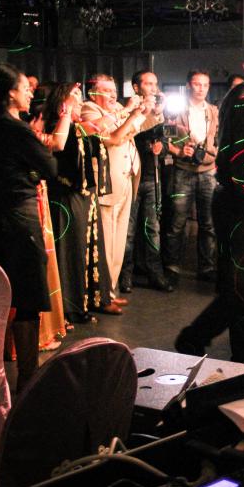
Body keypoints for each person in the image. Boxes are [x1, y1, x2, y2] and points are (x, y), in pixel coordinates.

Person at [174, 41, 244, 364]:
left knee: (241, 284)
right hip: (239, 202)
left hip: (228, 198)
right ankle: (194, 337)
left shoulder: (236, 95)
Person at [0, 63, 57, 389]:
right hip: (19, 219)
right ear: (10, 94)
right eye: (25, 88)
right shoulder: (17, 129)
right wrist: (30, 171)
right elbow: (48, 167)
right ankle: (27, 379)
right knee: (28, 296)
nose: (31, 93)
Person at [81, 74, 163, 310]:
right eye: (107, 90)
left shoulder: (117, 109)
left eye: (114, 90)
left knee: (118, 243)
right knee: (106, 243)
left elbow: (133, 130)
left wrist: (149, 112)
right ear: (93, 93)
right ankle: (101, 295)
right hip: (107, 183)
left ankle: (110, 290)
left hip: (126, 179)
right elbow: (112, 138)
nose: (113, 95)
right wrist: (130, 113)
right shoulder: (90, 110)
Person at [42, 83, 115, 324]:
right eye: (73, 95)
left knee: (88, 247)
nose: (79, 100)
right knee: (71, 250)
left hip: (85, 193)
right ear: (61, 100)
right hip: (66, 194)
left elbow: (101, 132)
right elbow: (62, 143)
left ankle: (92, 298)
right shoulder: (58, 126)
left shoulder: (78, 125)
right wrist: (126, 111)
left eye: (79, 95)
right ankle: (70, 307)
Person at [163, 69, 219, 283]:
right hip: (183, 170)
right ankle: (172, 267)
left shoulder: (213, 111)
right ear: (188, 85)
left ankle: (207, 267)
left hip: (208, 171)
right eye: (196, 84)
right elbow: (166, 139)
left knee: (208, 223)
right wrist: (179, 151)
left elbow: (219, 136)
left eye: (205, 85)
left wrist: (214, 153)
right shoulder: (175, 110)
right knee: (177, 222)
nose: (201, 88)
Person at [119, 70, 172, 293]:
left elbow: (164, 141)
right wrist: (152, 115)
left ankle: (155, 273)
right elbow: (130, 134)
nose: (153, 87)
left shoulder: (158, 111)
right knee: (128, 230)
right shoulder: (127, 108)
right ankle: (125, 275)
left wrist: (162, 147)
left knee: (153, 229)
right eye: (148, 83)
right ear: (136, 87)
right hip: (130, 177)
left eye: (155, 83)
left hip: (151, 176)